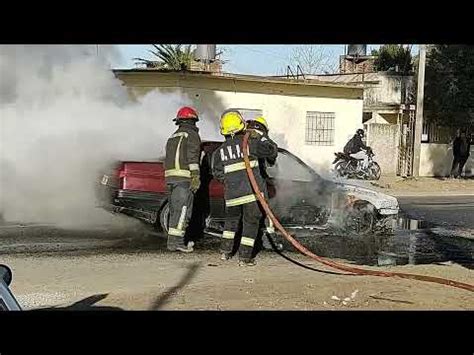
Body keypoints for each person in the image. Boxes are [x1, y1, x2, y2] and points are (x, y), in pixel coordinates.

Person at [212, 110, 278, 266]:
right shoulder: (250, 143)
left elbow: (217, 172)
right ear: (242, 126)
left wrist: (230, 182)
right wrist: (261, 136)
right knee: (250, 224)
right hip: (252, 194)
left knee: (230, 224)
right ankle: (245, 258)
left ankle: (225, 252)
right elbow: (271, 151)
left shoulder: (219, 152)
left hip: (232, 195)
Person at [164, 106, 202, 253]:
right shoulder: (192, 135)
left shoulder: (173, 136)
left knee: (175, 212)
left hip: (171, 180)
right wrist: (195, 176)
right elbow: (193, 157)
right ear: (193, 121)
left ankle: (172, 243)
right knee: (183, 212)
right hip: (184, 180)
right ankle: (178, 243)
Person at [246, 116, 280, 250]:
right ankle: (269, 241)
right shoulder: (261, 136)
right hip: (256, 180)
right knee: (265, 209)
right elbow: (272, 150)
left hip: (240, 181)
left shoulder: (241, 136)